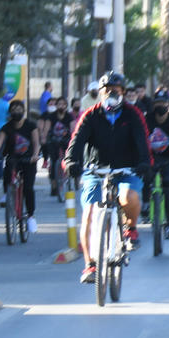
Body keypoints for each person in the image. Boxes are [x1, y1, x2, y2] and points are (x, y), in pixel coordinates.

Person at [65, 71, 152, 285]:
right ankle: (90, 265)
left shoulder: (133, 114)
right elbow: (76, 141)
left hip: (127, 169)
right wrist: (70, 162)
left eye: (116, 90)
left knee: (127, 195)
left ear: (123, 92)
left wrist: (144, 162)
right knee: (89, 214)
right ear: (100, 93)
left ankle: (130, 228)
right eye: (106, 91)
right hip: (96, 170)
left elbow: (143, 139)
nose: (111, 94)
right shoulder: (90, 115)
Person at [0, 99, 41, 234]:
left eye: (19, 109)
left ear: (23, 111)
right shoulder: (6, 127)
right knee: (8, 171)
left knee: (28, 188)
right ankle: (7, 193)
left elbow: (36, 142)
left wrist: (35, 155)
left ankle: (30, 216)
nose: (16, 112)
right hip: (13, 158)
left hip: (28, 159)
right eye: (14, 110)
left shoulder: (31, 125)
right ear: (10, 112)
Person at [144, 89, 169, 240]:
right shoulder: (147, 118)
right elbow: (141, 139)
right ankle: (146, 205)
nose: (160, 106)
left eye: (163, 103)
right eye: (157, 103)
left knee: (168, 186)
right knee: (145, 178)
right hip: (150, 158)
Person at [40, 97, 73, 194]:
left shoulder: (69, 116)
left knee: (67, 161)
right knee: (53, 162)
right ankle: (54, 185)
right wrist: (44, 138)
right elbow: (46, 129)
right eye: (59, 104)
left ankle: (67, 178)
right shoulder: (51, 116)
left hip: (65, 140)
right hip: (53, 140)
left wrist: (73, 139)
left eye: (63, 104)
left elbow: (73, 128)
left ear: (66, 106)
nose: (61, 106)